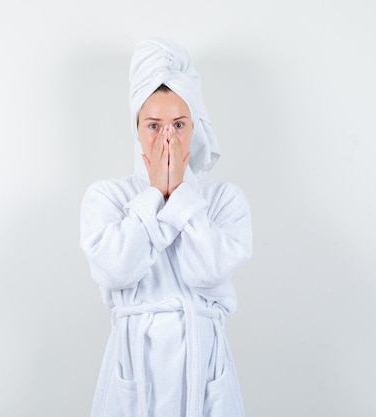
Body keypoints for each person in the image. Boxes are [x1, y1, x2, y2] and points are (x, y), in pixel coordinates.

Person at [79, 38, 253, 417]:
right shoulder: (106, 197)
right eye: (154, 126)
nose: (167, 139)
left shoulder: (225, 200)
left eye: (178, 124)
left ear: (195, 128)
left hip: (203, 364)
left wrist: (182, 197)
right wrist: (156, 193)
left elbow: (206, 273)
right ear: (136, 128)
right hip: (134, 363)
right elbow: (117, 270)